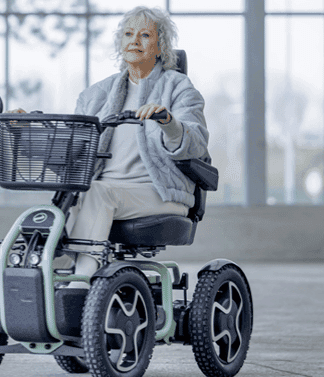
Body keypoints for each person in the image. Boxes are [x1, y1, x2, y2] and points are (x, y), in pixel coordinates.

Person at [14, 6, 210, 288]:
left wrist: (168, 120)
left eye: (145, 35)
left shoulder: (179, 88)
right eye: (129, 34)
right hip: (104, 191)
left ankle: (80, 281)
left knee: (96, 193)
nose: (134, 41)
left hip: (161, 192)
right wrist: (27, 135)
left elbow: (196, 144)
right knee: (66, 200)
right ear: (121, 43)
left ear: (161, 46)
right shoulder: (97, 95)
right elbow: (72, 154)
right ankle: (38, 274)